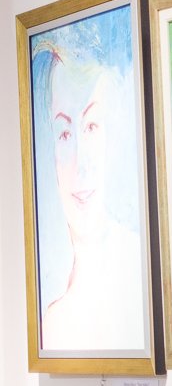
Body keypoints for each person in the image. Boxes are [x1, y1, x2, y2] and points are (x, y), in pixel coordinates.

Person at [34, 41, 144, 352]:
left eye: (91, 126)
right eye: (64, 134)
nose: (80, 161)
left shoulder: (138, 263)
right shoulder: (51, 317)